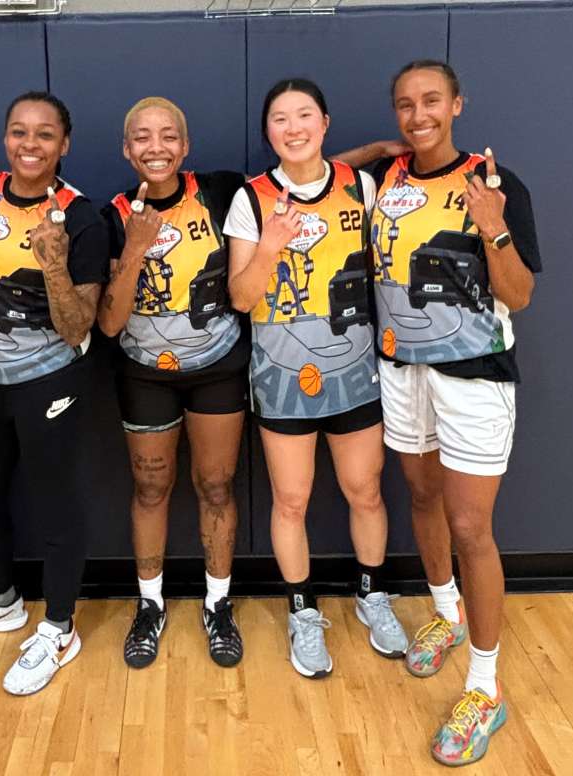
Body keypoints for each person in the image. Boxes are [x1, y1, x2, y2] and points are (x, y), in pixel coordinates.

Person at [339, 60, 541, 766]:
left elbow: (518, 296)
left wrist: (495, 230)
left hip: (475, 377)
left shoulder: (494, 183)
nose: (419, 114)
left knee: (469, 526)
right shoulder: (384, 183)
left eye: (431, 101)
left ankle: (484, 690)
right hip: (402, 369)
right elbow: (318, 169)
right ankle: (445, 614)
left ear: (458, 103)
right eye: (404, 104)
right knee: (421, 496)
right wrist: (374, 152)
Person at [224, 78, 408, 680]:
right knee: (291, 500)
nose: (293, 126)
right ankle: (303, 612)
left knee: (366, 491)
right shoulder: (251, 199)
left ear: (325, 124)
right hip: (280, 376)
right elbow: (243, 299)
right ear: (268, 131)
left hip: (354, 371)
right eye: (280, 118)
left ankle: (371, 593)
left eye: (305, 115)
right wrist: (272, 245)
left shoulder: (364, 186)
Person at [0, 92, 109, 697]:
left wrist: (55, 266)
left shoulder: (80, 216)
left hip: (49, 380)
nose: (29, 145)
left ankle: (59, 629)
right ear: (5, 138)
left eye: (43, 135)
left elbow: (80, 325)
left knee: (54, 504)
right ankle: (3, 601)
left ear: (64, 145)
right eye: (18, 132)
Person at [98, 97, 248, 670]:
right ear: (127, 150)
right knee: (151, 491)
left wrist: (376, 155)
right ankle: (150, 604)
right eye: (142, 137)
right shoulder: (109, 216)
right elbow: (109, 324)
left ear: (184, 148)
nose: (155, 147)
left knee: (216, 488)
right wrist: (135, 246)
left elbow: (302, 174)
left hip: (216, 368)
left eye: (167, 137)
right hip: (144, 374)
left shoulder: (220, 191)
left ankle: (218, 603)